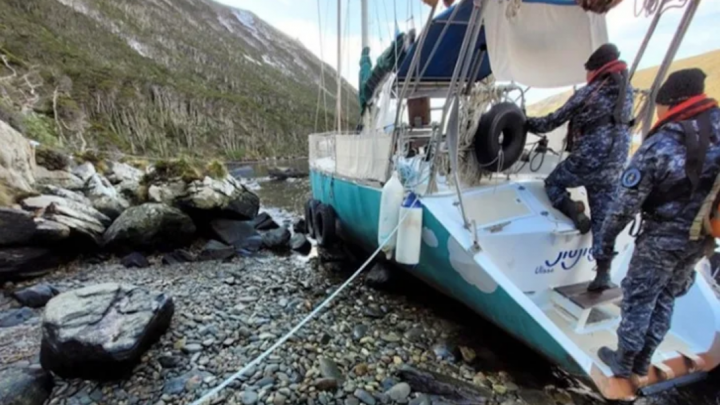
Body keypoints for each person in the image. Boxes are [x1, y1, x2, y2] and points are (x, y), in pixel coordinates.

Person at [594, 68, 720, 378]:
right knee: (666, 296)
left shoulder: (663, 142)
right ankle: (644, 358)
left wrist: (605, 241)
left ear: (670, 102)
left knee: (640, 296)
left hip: (663, 236)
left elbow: (624, 204)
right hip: (702, 236)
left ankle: (623, 363)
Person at [525, 43, 634, 292]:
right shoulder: (627, 90)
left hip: (588, 159)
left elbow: (552, 121)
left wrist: (525, 122)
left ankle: (573, 210)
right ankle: (603, 273)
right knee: (603, 217)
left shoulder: (591, 92)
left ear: (594, 69)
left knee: (553, 182)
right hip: (615, 164)